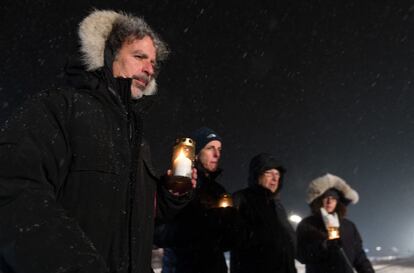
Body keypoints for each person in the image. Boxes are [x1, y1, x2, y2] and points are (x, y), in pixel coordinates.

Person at [0, 10, 195, 273]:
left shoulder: (138, 140)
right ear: (108, 54)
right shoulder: (60, 109)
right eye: (139, 56)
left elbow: (136, 218)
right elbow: (13, 191)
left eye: (153, 62)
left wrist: (170, 194)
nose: (149, 69)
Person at [155, 127, 236, 273]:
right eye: (210, 148)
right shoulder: (178, 183)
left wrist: (230, 227)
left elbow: (224, 244)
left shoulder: (219, 192)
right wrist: (196, 229)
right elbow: (159, 234)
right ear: (196, 154)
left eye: (219, 149)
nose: (217, 154)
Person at [230, 153, 297, 273]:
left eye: (277, 174)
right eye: (269, 173)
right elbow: (232, 237)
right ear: (257, 175)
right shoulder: (241, 199)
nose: (275, 178)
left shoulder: (277, 205)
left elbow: (290, 241)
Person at [296, 173, 375, 273]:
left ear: (338, 202)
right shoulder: (307, 224)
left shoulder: (348, 226)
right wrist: (323, 245)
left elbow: (359, 255)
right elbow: (301, 255)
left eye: (333, 199)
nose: (329, 202)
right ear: (319, 200)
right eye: (326, 198)